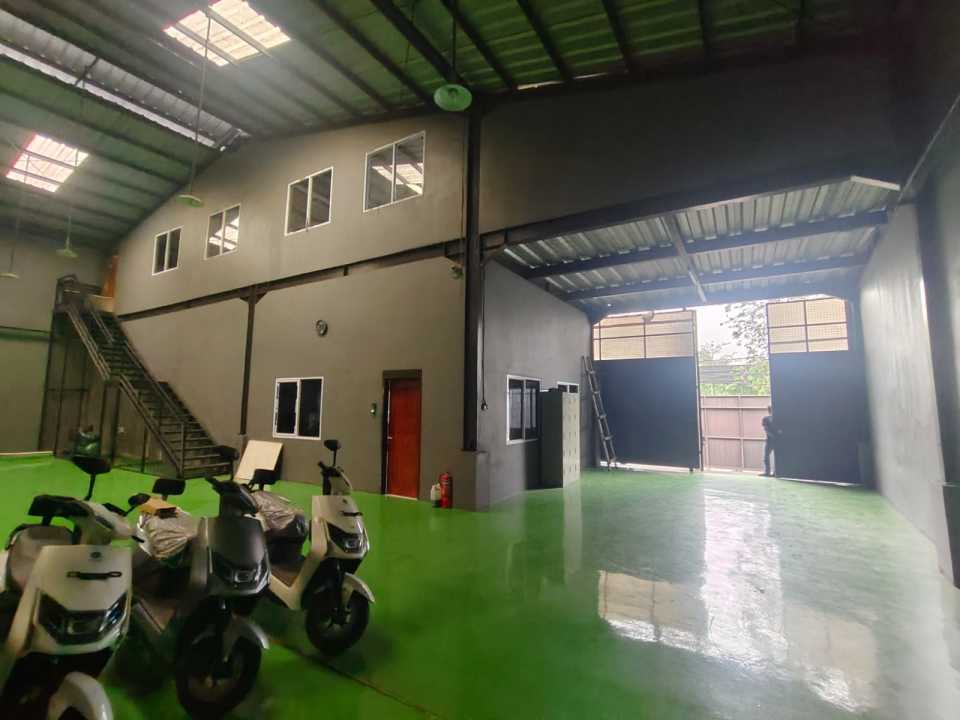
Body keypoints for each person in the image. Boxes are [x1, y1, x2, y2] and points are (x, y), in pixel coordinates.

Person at [761, 406, 780, 477]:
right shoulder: (766, 418)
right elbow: (766, 429)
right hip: (771, 440)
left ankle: (773, 472)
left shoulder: (776, 418)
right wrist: (773, 436)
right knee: (766, 457)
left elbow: (766, 429)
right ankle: (769, 472)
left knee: (771, 457)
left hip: (773, 440)